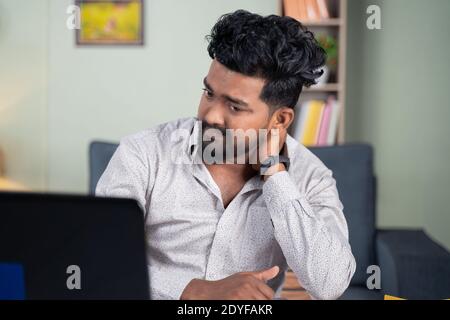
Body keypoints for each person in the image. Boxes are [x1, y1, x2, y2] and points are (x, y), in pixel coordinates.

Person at [96, 10, 356, 300]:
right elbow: (100, 259)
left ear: (280, 120)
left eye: (234, 106)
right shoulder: (143, 154)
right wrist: (191, 291)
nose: (211, 115)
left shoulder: (310, 176)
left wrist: (274, 173)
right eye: (208, 93)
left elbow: (330, 284)